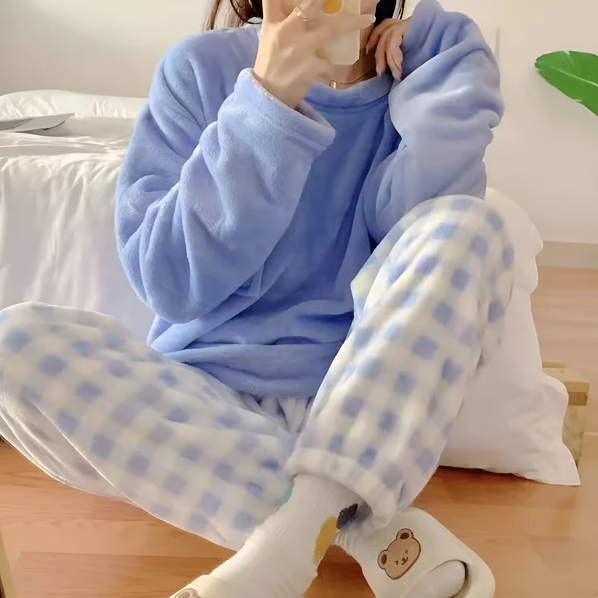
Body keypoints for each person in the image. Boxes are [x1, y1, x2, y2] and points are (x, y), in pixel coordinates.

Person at [0, 0, 514, 596]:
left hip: (351, 400)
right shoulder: (200, 69)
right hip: (202, 403)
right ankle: (347, 523)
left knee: (469, 227)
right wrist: (267, 103)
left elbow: (420, 243)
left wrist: (444, 62)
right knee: (14, 344)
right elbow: (169, 282)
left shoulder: (416, 72)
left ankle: (286, 547)